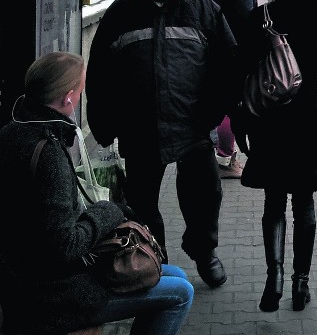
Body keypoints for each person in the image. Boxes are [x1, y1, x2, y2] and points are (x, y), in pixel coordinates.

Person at [0, 52, 194, 335]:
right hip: (49, 297)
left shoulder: (12, 132)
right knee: (181, 292)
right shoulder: (47, 153)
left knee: (173, 273)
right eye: (80, 90)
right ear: (68, 98)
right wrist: (107, 211)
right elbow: (64, 245)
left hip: (25, 279)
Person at [86, 0, 240, 289]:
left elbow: (229, 67)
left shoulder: (203, 10)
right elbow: (99, 73)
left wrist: (214, 112)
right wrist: (103, 122)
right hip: (140, 130)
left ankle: (204, 253)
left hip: (193, 127)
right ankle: (153, 260)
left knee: (203, 199)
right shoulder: (120, 14)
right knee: (141, 205)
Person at [234, 0, 317, 313]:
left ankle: (273, 275)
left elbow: (242, 68)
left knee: (274, 200)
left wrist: (240, 120)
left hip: (269, 118)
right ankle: (300, 284)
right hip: (307, 116)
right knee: (304, 201)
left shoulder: (261, 16)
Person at [200, 0, 258, 179]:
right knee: (230, 107)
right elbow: (249, 19)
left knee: (216, 102)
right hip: (234, 51)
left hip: (210, 49)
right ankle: (225, 158)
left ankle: (215, 153)